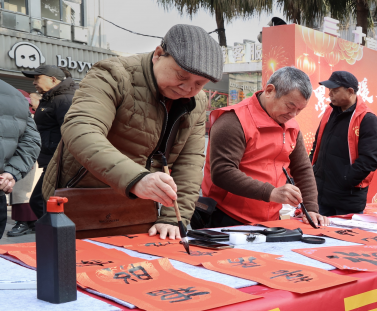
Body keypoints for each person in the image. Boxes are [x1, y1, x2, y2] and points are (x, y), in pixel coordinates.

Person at [41, 24, 222, 239]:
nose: (187, 89)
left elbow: (189, 162)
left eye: (199, 84)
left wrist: (173, 218)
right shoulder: (113, 74)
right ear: (158, 54)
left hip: (140, 207)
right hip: (81, 198)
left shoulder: (196, 102)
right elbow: (81, 129)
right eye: (181, 76)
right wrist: (137, 179)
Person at [201, 66, 328, 227]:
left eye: (299, 110)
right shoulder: (233, 121)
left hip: (269, 219)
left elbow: (302, 168)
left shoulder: (291, 126)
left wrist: (310, 208)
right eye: (289, 107)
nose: (293, 115)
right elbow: (223, 171)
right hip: (227, 216)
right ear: (269, 91)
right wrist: (271, 192)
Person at [12, 65, 78, 237]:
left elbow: (72, 133)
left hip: (59, 161)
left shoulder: (65, 100)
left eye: (37, 78)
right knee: (42, 201)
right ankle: (57, 238)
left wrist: (64, 161)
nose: (34, 83)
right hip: (50, 160)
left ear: (53, 79)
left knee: (40, 201)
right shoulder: (51, 98)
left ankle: (57, 239)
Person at [310, 71, 377, 215]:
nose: (330, 94)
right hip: (321, 196)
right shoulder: (329, 112)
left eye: (335, 90)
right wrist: (313, 171)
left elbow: (369, 160)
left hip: (347, 199)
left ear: (350, 91)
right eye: (329, 90)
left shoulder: (367, 119)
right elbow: (317, 145)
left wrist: (344, 181)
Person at [0, 79, 41, 237]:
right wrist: (11, 172)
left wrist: (12, 171)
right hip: (9, 174)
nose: (35, 82)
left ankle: (26, 222)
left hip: (28, 163)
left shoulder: (17, 97)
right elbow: (31, 140)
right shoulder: (15, 95)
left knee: (25, 193)